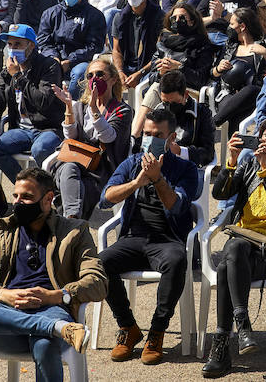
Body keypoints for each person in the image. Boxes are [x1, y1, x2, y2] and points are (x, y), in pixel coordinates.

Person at [0, 168, 102, 382]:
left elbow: (97, 281)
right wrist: (3, 294)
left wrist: (56, 296)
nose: (18, 203)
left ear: (48, 199)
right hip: (6, 317)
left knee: (44, 344)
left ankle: (51, 327)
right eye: (16, 196)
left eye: (27, 197)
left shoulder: (74, 231)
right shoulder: (1, 229)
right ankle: (55, 329)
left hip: (51, 309)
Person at [201, 111, 266, 377]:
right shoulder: (248, 164)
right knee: (234, 250)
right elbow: (220, 193)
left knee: (228, 262)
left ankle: (223, 346)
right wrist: (232, 162)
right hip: (243, 247)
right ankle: (243, 327)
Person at [99, 107, 202, 365]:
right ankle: (128, 328)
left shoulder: (186, 169)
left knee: (177, 261)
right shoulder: (132, 162)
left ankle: (157, 331)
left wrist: (157, 180)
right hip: (133, 237)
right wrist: (136, 183)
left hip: (167, 240)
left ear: (171, 139)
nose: (149, 139)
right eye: (146, 133)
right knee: (99, 263)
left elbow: (177, 207)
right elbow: (105, 198)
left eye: (157, 135)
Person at [0, 24, 66, 181]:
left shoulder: (49, 66)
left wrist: (18, 77)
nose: (13, 49)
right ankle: (26, 185)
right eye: (10, 44)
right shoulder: (8, 71)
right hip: (21, 129)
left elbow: (43, 101)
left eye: (18, 44)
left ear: (31, 45)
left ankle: (52, 189)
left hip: (49, 128)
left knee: (40, 149)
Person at [54, 59, 133, 219]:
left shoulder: (122, 110)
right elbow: (71, 137)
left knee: (78, 184)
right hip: (77, 161)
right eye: (90, 75)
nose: (94, 79)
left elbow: (108, 137)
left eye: (100, 74)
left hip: (102, 168)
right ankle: (73, 221)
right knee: (69, 169)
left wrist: (95, 109)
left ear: (113, 79)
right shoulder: (80, 106)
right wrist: (69, 107)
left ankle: (70, 222)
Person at [38, 0, 108, 95]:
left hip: (79, 62)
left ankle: (71, 107)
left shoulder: (94, 15)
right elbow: (44, 40)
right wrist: (54, 57)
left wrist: (70, 61)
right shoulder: (50, 13)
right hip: (53, 59)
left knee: (80, 73)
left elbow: (94, 45)